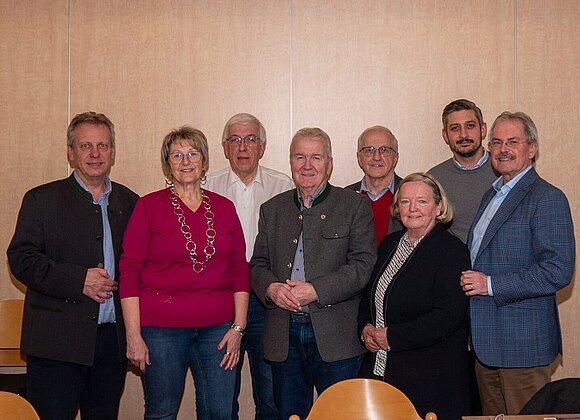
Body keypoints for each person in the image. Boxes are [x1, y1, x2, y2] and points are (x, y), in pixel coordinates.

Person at [7, 112, 139, 420]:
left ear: (113, 152)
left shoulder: (131, 202)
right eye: (85, 146)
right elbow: (21, 259)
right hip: (55, 345)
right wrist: (78, 280)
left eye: (103, 146)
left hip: (110, 345)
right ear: (70, 152)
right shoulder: (41, 200)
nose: (95, 154)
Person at [119, 126, 250, 420]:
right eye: (177, 155)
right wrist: (133, 335)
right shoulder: (148, 206)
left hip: (219, 330)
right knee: (162, 412)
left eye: (193, 153)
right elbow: (128, 271)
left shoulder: (225, 208)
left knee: (220, 412)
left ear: (204, 161)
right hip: (161, 329)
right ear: (167, 164)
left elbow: (239, 269)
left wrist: (239, 327)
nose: (186, 161)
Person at [250, 127, 377, 420]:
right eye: (300, 157)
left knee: (341, 416)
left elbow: (363, 265)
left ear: (329, 164)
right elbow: (258, 264)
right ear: (291, 162)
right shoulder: (272, 209)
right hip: (284, 336)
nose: (307, 165)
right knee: (290, 415)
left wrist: (315, 290)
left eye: (316, 158)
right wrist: (271, 289)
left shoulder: (354, 205)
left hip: (337, 339)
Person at [461, 112, 575, 415]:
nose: (503, 149)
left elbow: (558, 270)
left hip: (522, 345)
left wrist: (490, 285)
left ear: (532, 148)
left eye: (513, 142)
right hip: (486, 343)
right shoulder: (492, 195)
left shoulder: (547, 197)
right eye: (496, 142)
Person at [358, 172, 472, 419]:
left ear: (439, 207)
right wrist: (365, 329)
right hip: (381, 371)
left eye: (422, 201)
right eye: (405, 201)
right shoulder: (389, 244)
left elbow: (446, 316)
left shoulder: (453, 251)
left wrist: (391, 337)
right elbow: (370, 296)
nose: (412, 208)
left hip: (428, 380)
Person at [206, 113, 293, 420]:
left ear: (263, 147)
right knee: (221, 393)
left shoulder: (283, 187)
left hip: (266, 300)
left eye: (251, 139)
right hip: (220, 299)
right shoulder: (207, 187)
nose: (243, 147)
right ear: (224, 147)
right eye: (235, 140)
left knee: (269, 393)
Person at [428, 99, 497, 243]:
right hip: (454, 256)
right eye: (455, 128)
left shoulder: (505, 171)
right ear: (445, 136)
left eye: (470, 126)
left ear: (483, 130)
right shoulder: (434, 180)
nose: (463, 135)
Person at [346, 125, 403, 244]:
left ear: (395, 158)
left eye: (384, 150)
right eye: (369, 150)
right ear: (359, 158)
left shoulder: (410, 195)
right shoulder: (344, 198)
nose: (377, 157)